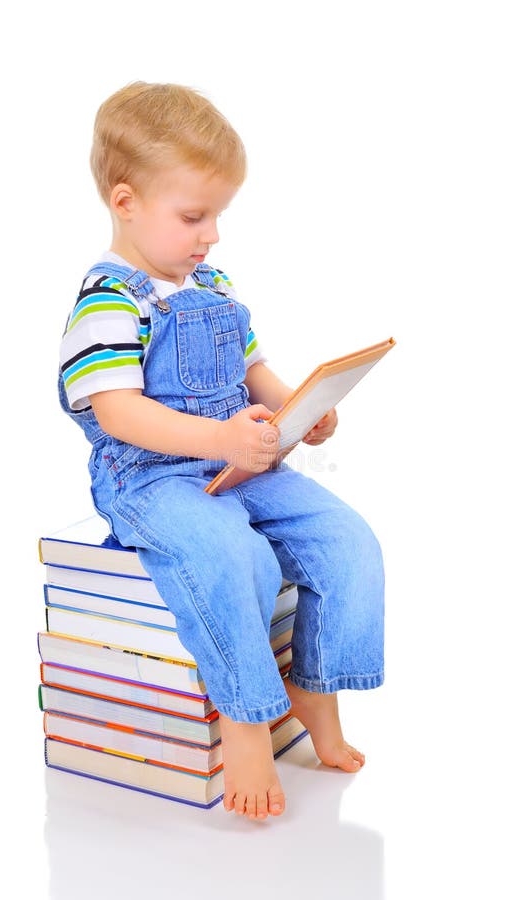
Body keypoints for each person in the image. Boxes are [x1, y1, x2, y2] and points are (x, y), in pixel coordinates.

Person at [58, 81, 384, 821]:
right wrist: (217, 437)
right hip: (147, 477)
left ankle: (314, 686)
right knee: (233, 555)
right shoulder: (107, 300)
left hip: (237, 462)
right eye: (193, 216)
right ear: (125, 200)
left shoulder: (213, 284)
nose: (210, 235)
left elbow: (250, 370)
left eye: (218, 216)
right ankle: (242, 715)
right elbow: (117, 412)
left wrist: (297, 409)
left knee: (346, 539)